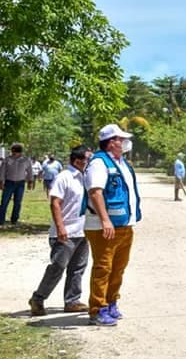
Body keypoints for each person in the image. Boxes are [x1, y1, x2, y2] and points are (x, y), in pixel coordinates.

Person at [84, 124, 142, 327]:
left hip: (124, 225)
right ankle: (97, 309)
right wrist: (105, 220)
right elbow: (95, 192)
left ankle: (111, 302)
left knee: (118, 268)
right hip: (103, 227)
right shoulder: (99, 163)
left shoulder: (122, 163)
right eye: (121, 138)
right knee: (103, 267)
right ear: (111, 142)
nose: (125, 142)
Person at [29, 146, 91, 316]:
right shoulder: (64, 177)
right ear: (78, 161)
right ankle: (38, 298)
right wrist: (60, 227)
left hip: (82, 231)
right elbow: (55, 203)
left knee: (78, 267)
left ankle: (72, 301)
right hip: (65, 232)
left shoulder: (85, 178)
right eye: (88, 158)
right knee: (57, 267)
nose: (90, 162)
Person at [0, 143, 33, 225]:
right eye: (13, 152)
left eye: (16, 152)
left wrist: (30, 181)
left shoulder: (26, 160)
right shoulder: (7, 159)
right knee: (4, 202)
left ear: (20, 152)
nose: (14, 154)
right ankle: (1, 220)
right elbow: (2, 172)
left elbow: (30, 171)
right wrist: (1, 182)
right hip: (9, 183)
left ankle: (14, 220)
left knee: (17, 202)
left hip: (20, 183)